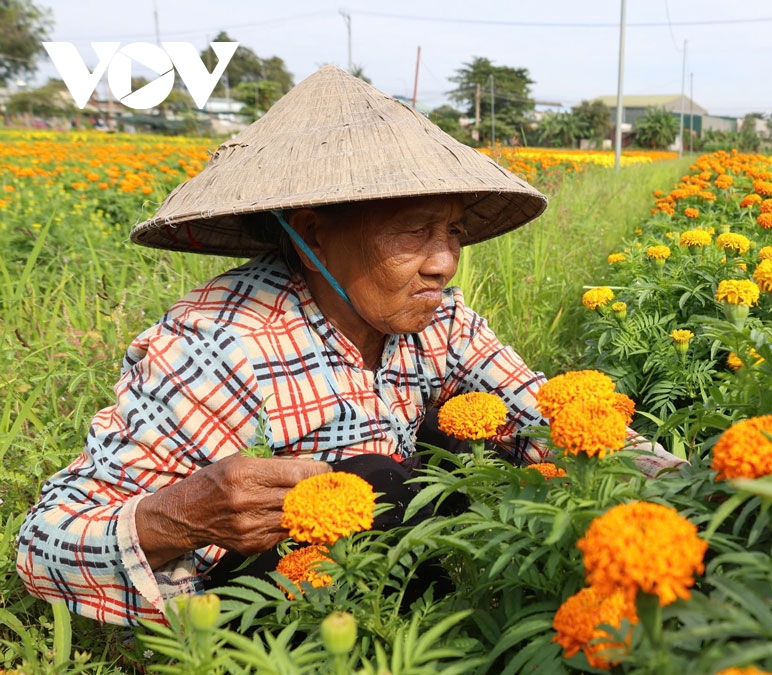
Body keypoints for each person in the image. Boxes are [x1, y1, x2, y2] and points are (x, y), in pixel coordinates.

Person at [16, 66, 684, 626]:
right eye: (412, 230)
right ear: (311, 231)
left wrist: (697, 493)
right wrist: (183, 515)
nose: (443, 262)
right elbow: (44, 544)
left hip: (381, 566)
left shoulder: (440, 319)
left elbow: (541, 412)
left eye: (451, 231)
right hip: (266, 609)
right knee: (380, 478)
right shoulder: (221, 345)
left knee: (462, 448)